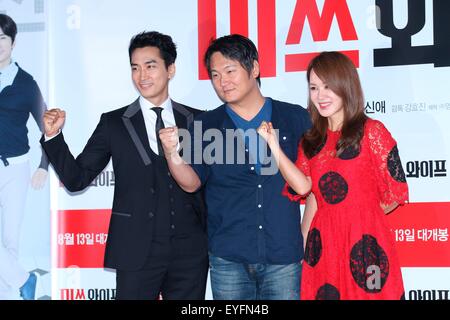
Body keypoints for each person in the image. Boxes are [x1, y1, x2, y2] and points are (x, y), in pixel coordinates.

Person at [40, 31, 208, 300]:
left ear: (171, 69)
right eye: (135, 68)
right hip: (136, 250)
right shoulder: (113, 123)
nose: (142, 76)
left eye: (151, 66)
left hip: (190, 252)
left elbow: (208, 184)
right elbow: (77, 179)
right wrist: (53, 137)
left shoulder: (198, 120)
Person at [159, 34, 311, 300]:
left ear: (254, 68)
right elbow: (192, 181)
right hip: (228, 257)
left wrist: (304, 237)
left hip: (284, 254)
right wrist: (172, 154)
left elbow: (314, 184)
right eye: (215, 75)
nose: (223, 82)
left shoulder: (294, 117)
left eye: (230, 70)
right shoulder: (205, 126)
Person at [257, 51, 408, 300]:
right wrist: (273, 146)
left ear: (345, 85)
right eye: (314, 87)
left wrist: (362, 219)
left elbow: (396, 192)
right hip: (324, 244)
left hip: (365, 242)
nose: (320, 95)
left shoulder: (372, 131)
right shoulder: (311, 140)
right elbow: (303, 187)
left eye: (328, 86)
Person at [0, 13, 48, 300]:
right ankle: (24, 280)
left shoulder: (26, 83)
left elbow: (48, 126)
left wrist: (44, 165)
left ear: (13, 43)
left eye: (3, 38)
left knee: (9, 242)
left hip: (15, 168)